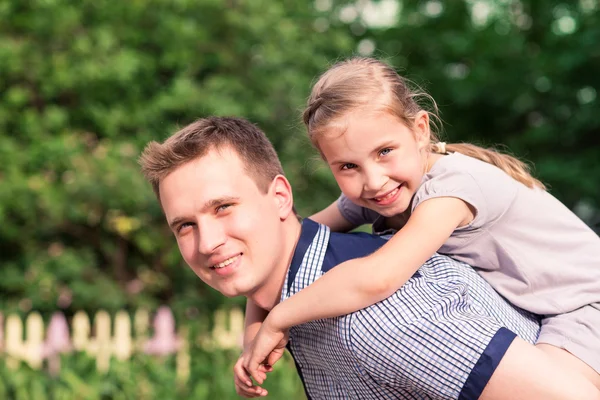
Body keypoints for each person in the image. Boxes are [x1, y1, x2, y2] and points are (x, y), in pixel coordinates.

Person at [139, 116, 599, 399]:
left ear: (280, 197)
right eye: (185, 226)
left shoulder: (379, 319)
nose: (208, 241)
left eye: (223, 207)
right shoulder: (310, 283)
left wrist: (275, 319)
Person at [241, 57, 600, 390]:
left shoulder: (450, 190)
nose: (374, 180)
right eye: (348, 167)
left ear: (420, 131)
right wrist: (252, 340)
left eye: (385, 152)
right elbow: (284, 249)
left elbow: (378, 276)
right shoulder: (377, 193)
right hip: (542, 310)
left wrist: (279, 319)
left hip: (584, 305)